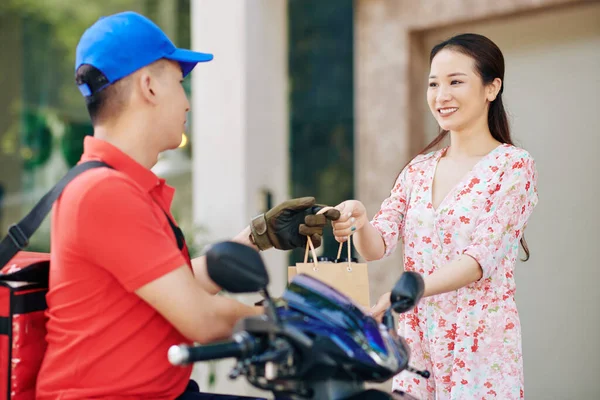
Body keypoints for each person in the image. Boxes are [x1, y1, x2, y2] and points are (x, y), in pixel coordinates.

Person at [35, 11, 339, 400]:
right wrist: (301, 320)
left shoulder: (117, 184)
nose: (187, 103)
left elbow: (175, 286)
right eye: (180, 83)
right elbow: (202, 319)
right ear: (149, 86)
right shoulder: (103, 192)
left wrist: (257, 237)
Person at [332, 33, 538, 399]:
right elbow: (376, 246)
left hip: (480, 345)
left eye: (455, 82)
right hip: (417, 338)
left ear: (492, 88)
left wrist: (407, 291)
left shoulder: (513, 166)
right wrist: (361, 219)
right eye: (433, 84)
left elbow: (479, 259)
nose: (441, 96)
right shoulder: (419, 169)